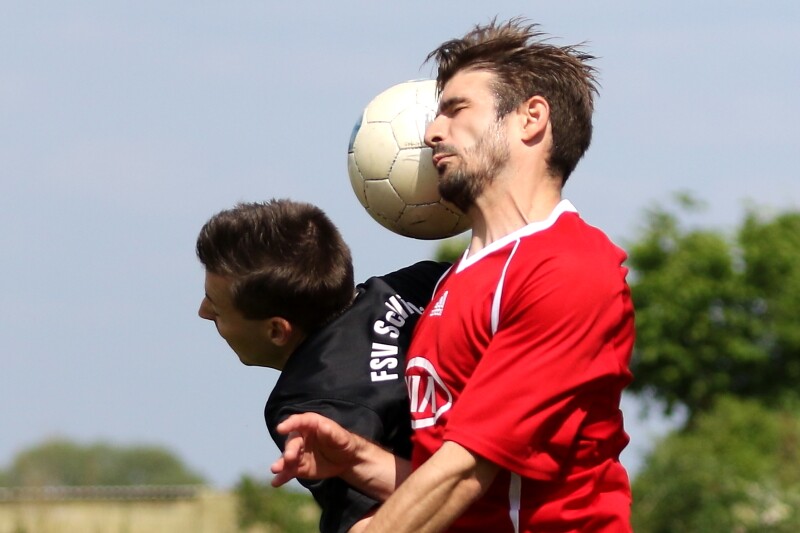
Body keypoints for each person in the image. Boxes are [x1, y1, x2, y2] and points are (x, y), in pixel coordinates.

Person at [271, 18, 636, 532]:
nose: (431, 133)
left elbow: (466, 469)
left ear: (531, 118)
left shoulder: (568, 267)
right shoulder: (455, 279)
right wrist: (359, 458)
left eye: (455, 109)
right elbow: (476, 493)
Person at [195, 199, 449, 533]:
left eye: (216, 308)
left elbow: (370, 524)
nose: (203, 312)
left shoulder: (309, 404)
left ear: (277, 331)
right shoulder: (419, 283)